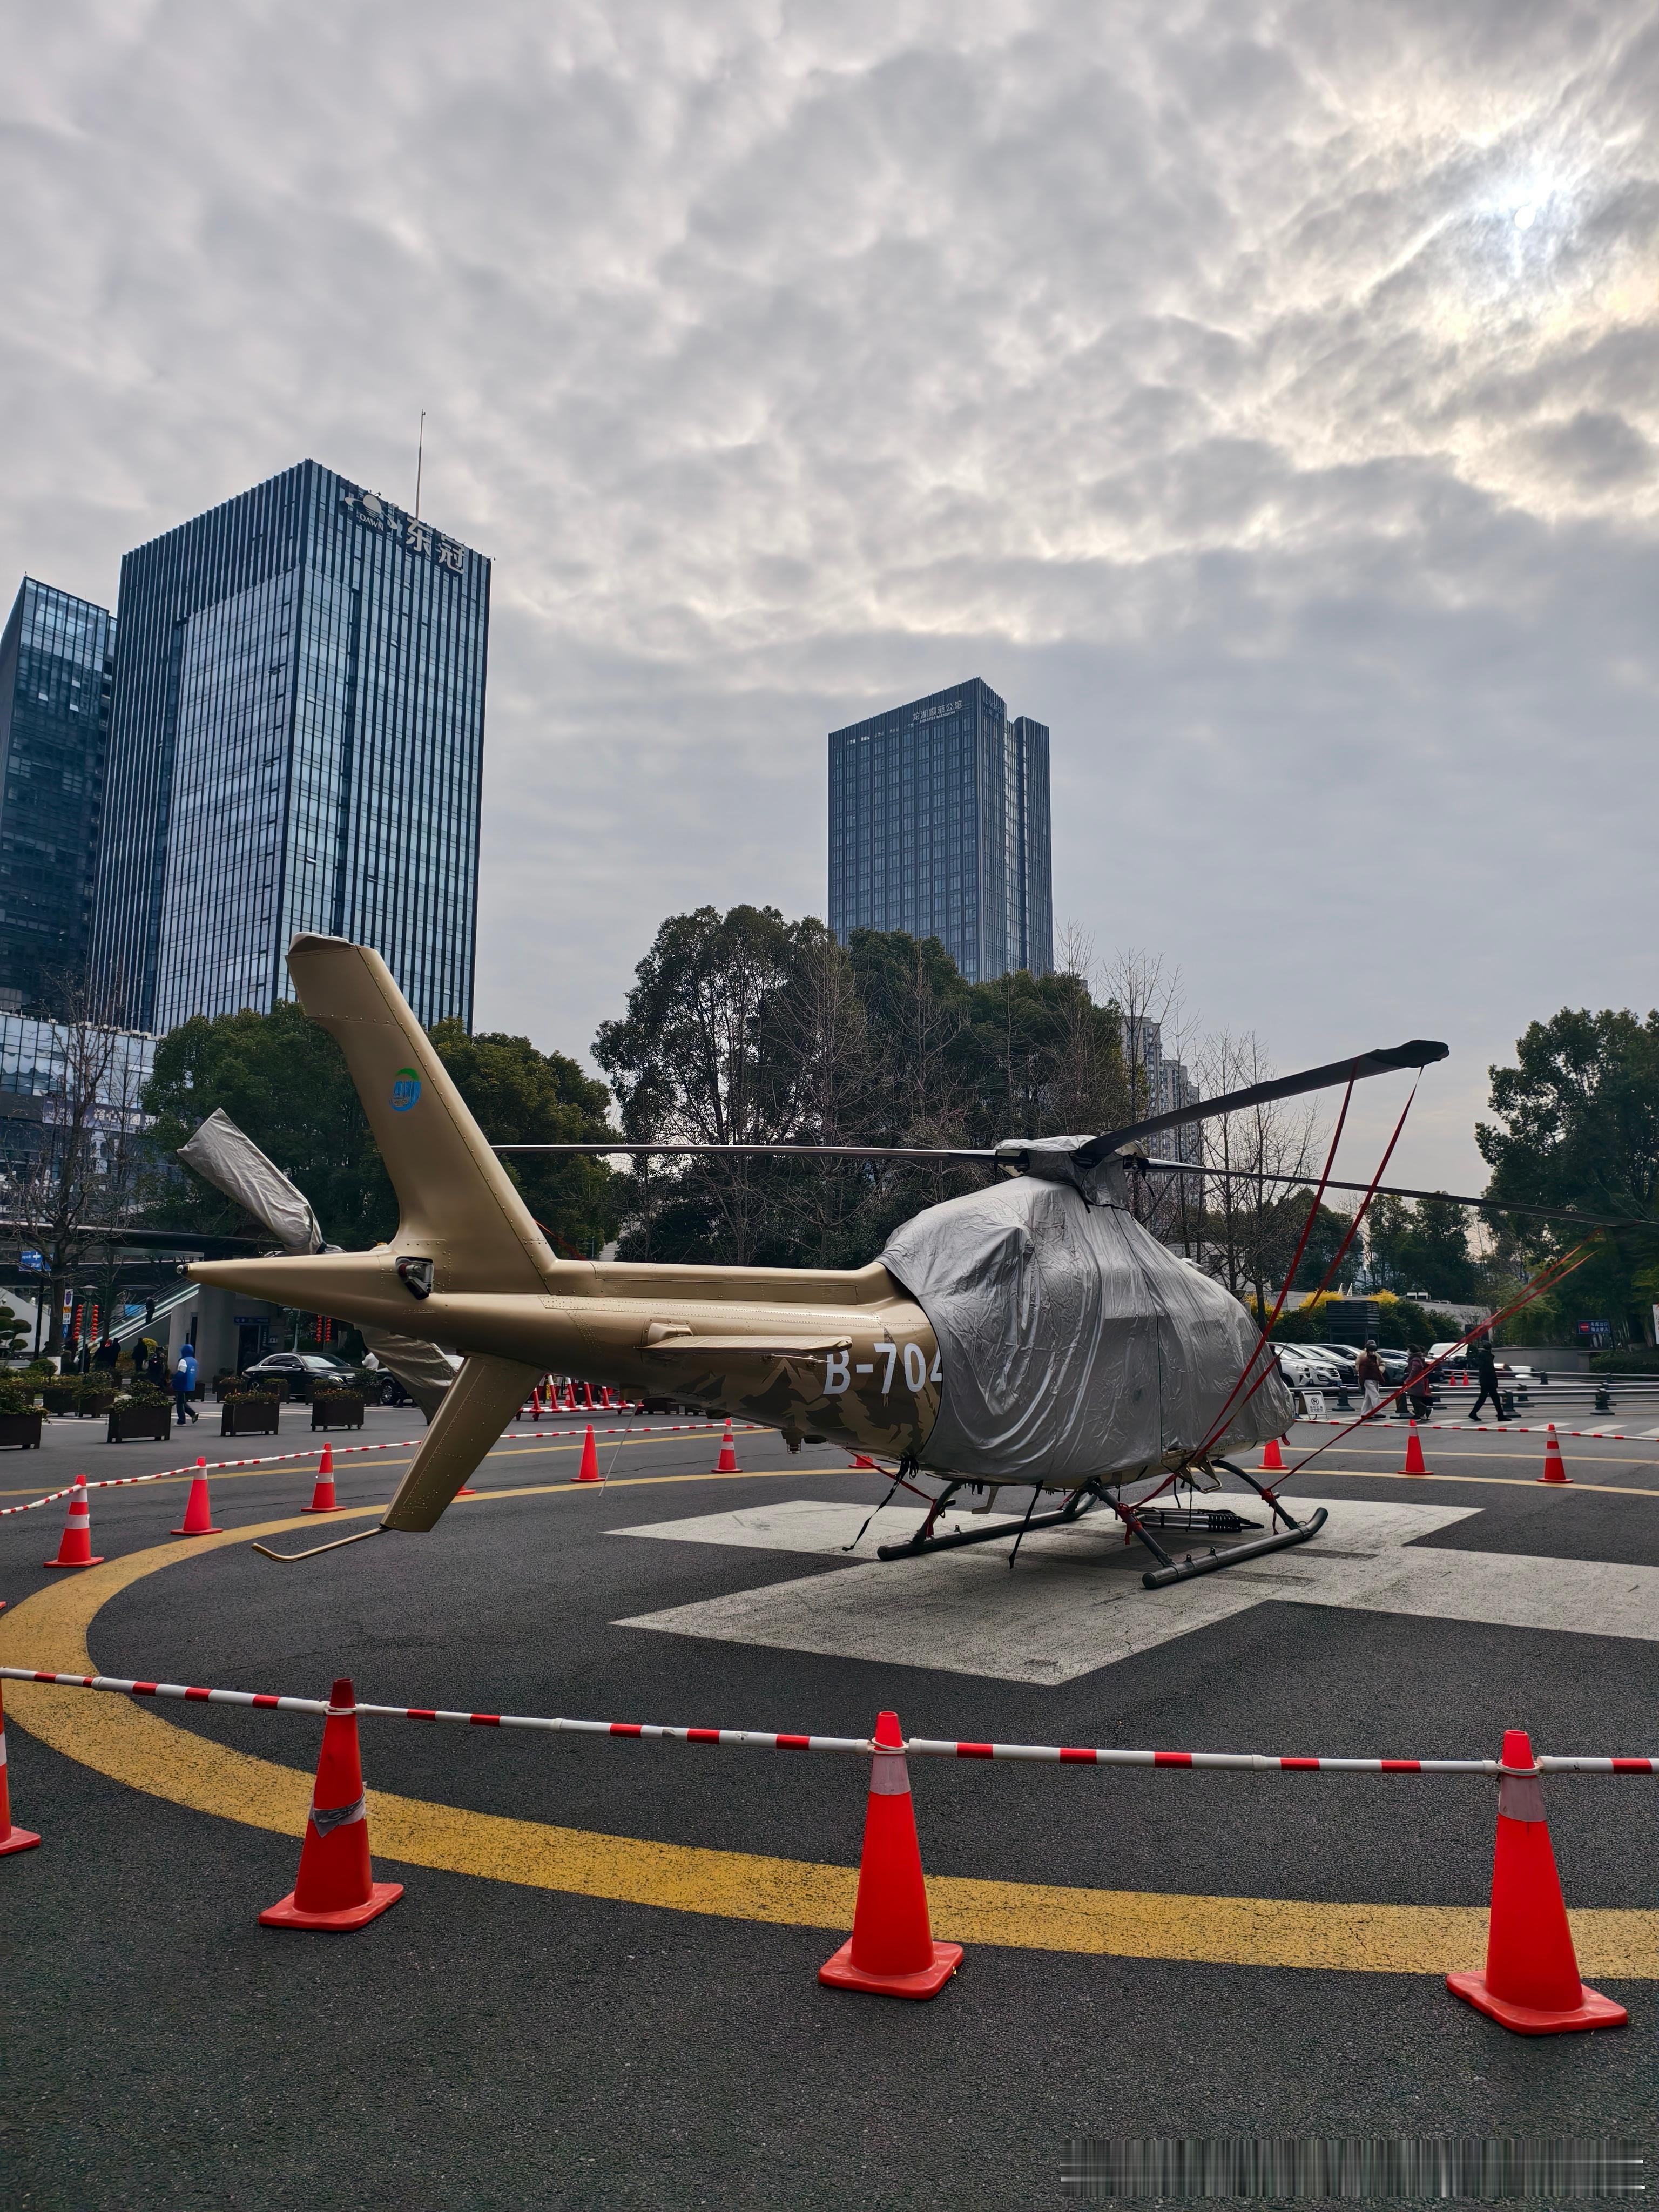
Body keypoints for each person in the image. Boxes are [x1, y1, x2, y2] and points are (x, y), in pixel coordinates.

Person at [1469, 1338, 1507, 1423]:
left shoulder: (1481, 1356)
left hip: (1484, 1381)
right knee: (1494, 1399)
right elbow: (1490, 1371)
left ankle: (1473, 1413)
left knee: (1484, 1398)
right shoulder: (1488, 1357)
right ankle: (1500, 1416)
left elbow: (1478, 1366)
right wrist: (1495, 1382)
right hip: (1489, 1382)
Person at [1355, 1339, 1386, 1419]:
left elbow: (1382, 1364)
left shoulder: (1376, 1355)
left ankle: (1365, 1413)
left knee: (1368, 1397)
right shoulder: (1362, 1356)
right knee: (1375, 1395)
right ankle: (1378, 1411)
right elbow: (1359, 1367)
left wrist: (1380, 1371)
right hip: (1368, 1378)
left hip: (1375, 1377)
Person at [1403, 1345, 1433, 1425]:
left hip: (1416, 1382)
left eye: (1408, 1349)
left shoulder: (1415, 1359)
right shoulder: (1417, 1358)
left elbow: (1414, 1371)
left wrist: (1408, 1380)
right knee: (1416, 1398)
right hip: (1418, 1381)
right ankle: (1419, 1414)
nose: (1407, 1351)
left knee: (1414, 1398)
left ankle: (1424, 1410)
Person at [172, 1341, 200, 1425]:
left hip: (182, 1384)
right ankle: (193, 1414)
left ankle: (181, 1420)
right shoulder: (194, 1361)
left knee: (179, 1403)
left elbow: (181, 1373)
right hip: (190, 1384)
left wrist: (174, 1381)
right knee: (182, 1401)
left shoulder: (183, 1361)